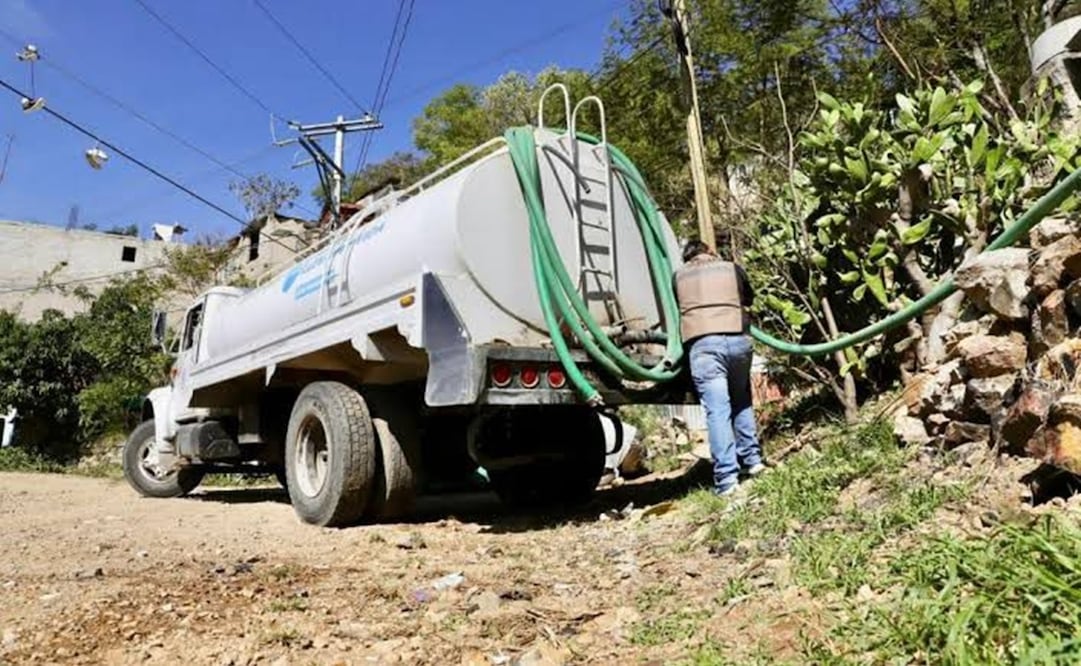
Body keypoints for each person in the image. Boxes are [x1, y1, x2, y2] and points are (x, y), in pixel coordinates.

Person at [674, 239, 764, 496]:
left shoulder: (678, 276)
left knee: (717, 410)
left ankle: (727, 481)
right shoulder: (731, 268)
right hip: (738, 340)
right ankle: (753, 462)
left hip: (704, 346)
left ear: (687, 259)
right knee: (742, 400)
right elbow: (749, 296)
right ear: (709, 253)